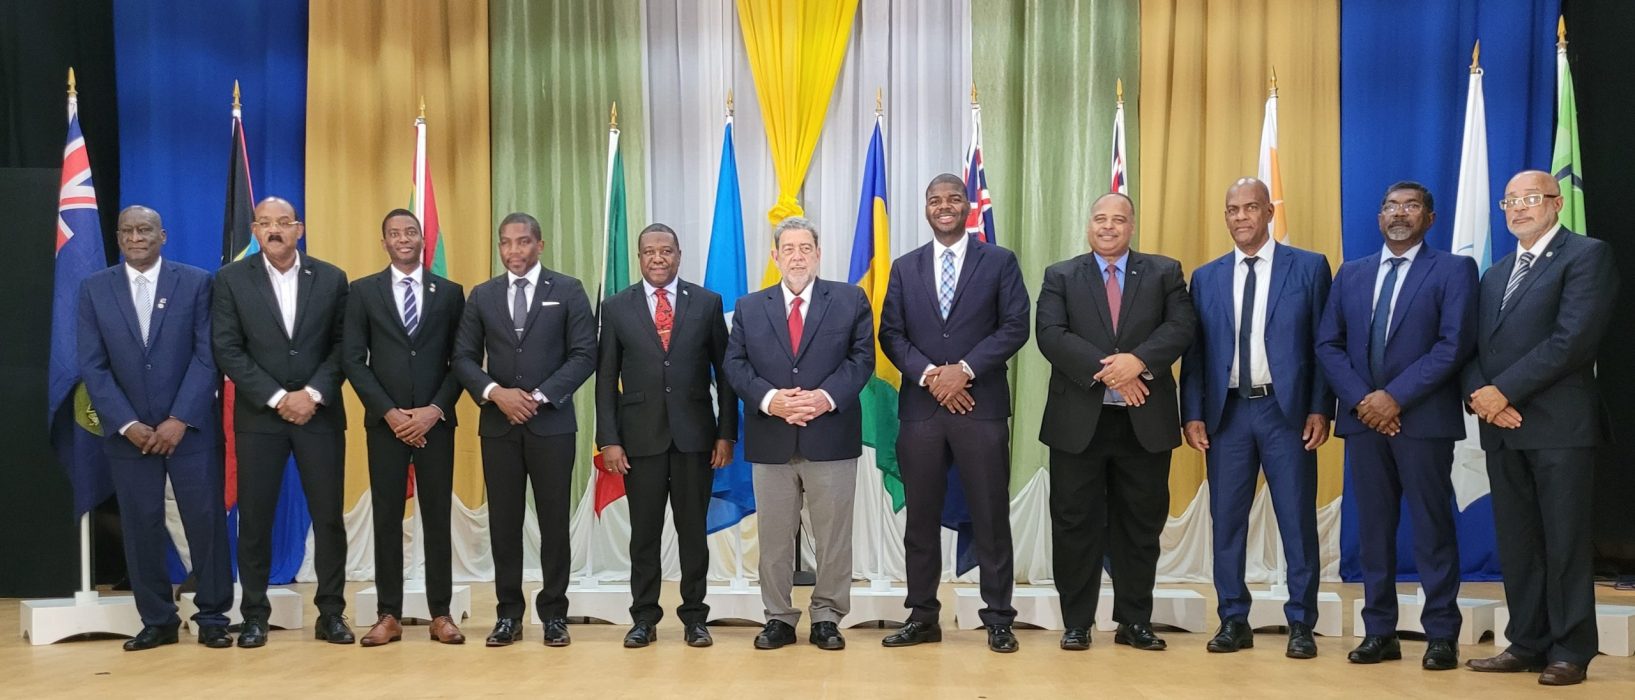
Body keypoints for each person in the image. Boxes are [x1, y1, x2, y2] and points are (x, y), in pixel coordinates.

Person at [1463, 171, 1619, 686]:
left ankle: (1571, 649)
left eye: (1530, 199)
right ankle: (1526, 642)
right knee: (1519, 544)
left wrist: (1502, 391)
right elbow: (1473, 350)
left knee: (1565, 544)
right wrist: (1481, 397)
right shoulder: (1495, 272)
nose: (1518, 208)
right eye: (1511, 200)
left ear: (1555, 203)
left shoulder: (1586, 255)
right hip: (1503, 428)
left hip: (1559, 427)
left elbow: (1572, 340)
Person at [1315, 181, 1476, 671]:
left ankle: (1442, 634)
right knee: (1374, 532)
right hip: (1365, 423)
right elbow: (1328, 345)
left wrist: (1394, 398)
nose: (1398, 213)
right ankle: (1379, 631)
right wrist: (1366, 401)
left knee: (1432, 529)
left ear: (1429, 217)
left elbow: (1453, 345)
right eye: (1389, 206)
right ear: (1379, 217)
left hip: (1422, 422)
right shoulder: (1352, 273)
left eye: (1410, 206)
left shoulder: (1453, 269)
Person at [1180, 178, 1333, 659]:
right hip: (1227, 415)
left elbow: (1323, 345)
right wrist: (1193, 414)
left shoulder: (1308, 268)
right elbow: (1196, 354)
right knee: (1225, 522)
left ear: (1269, 211)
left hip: (1284, 413)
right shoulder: (1206, 276)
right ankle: (1232, 619)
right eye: (1232, 210)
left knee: (1295, 520)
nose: (1241, 217)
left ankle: (1302, 623)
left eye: (1250, 207)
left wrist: (1319, 407)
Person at [1037, 192, 1196, 652]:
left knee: (1140, 525)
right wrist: (1113, 370)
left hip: (1144, 422)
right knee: (1074, 524)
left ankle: (1134, 621)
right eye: (1100, 219)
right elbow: (1049, 334)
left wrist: (1138, 362)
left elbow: (1181, 327)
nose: (1108, 227)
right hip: (1077, 423)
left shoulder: (1165, 272)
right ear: (1089, 225)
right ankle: (1077, 622)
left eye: (1118, 219)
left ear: (1132, 226)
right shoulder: (1061, 275)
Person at [877, 174, 1030, 654]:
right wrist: (931, 377)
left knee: (989, 514)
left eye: (953, 198)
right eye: (934, 200)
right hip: (921, 412)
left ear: (968, 206)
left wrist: (963, 371)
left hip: (980, 407)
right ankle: (923, 616)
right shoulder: (905, 267)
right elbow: (891, 333)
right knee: (920, 520)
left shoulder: (999, 261)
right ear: (926, 209)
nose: (944, 206)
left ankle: (999, 619)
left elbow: (1015, 326)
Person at [77, 205, 233, 651]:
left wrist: (179, 418)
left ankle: (213, 616)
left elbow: (208, 355)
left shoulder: (197, 282)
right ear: (119, 237)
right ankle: (158, 620)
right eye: (127, 230)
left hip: (188, 431)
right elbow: (93, 364)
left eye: (144, 229)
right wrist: (127, 423)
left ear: (163, 235)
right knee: (141, 526)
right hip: (130, 437)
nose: (136, 237)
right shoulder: (94, 289)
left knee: (204, 523)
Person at [723, 216, 872, 651]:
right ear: (775, 256)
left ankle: (827, 616)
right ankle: (778, 619)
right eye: (788, 249)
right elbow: (735, 365)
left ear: (818, 253)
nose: (797, 256)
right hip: (771, 436)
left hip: (830, 435)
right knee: (772, 539)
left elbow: (861, 358)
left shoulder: (849, 300)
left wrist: (824, 397)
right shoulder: (750, 307)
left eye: (805, 248)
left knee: (833, 538)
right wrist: (772, 400)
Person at [211, 196, 352, 648]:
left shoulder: (331, 278)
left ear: (300, 228)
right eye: (266, 223)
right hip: (260, 418)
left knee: (328, 518)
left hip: (319, 414)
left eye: (284, 223)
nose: (275, 230)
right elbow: (228, 349)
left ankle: (330, 613)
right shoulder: (231, 280)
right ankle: (254, 614)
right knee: (255, 519)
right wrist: (277, 398)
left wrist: (310, 395)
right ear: (254, 230)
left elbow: (343, 347)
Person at [452, 212, 596, 647]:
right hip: (498, 428)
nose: (514, 251)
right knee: (504, 524)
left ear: (540, 245)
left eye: (523, 242)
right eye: (506, 243)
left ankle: (554, 614)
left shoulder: (568, 290)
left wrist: (536, 396)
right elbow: (461, 358)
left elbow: (585, 354)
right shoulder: (482, 295)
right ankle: (508, 615)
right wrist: (497, 393)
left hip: (551, 425)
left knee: (554, 523)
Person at [595, 223, 736, 649]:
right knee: (644, 534)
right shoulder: (616, 307)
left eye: (666, 251)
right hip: (639, 441)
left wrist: (725, 433)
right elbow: (605, 380)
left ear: (679, 254)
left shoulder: (707, 303)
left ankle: (695, 617)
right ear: (639, 258)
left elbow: (726, 375)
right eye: (649, 252)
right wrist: (610, 439)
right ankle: (644, 618)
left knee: (694, 533)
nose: (658, 258)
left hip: (696, 439)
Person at [341, 209, 467, 646]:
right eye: (394, 233)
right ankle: (388, 614)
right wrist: (390, 413)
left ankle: (442, 614)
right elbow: (353, 360)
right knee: (387, 518)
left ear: (422, 238)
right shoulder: (362, 292)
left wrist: (434, 409)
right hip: (386, 426)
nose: (403, 239)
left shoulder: (450, 293)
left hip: (436, 424)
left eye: (410, 231)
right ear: (384, 242)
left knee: (436, 518)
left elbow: (462, 361)